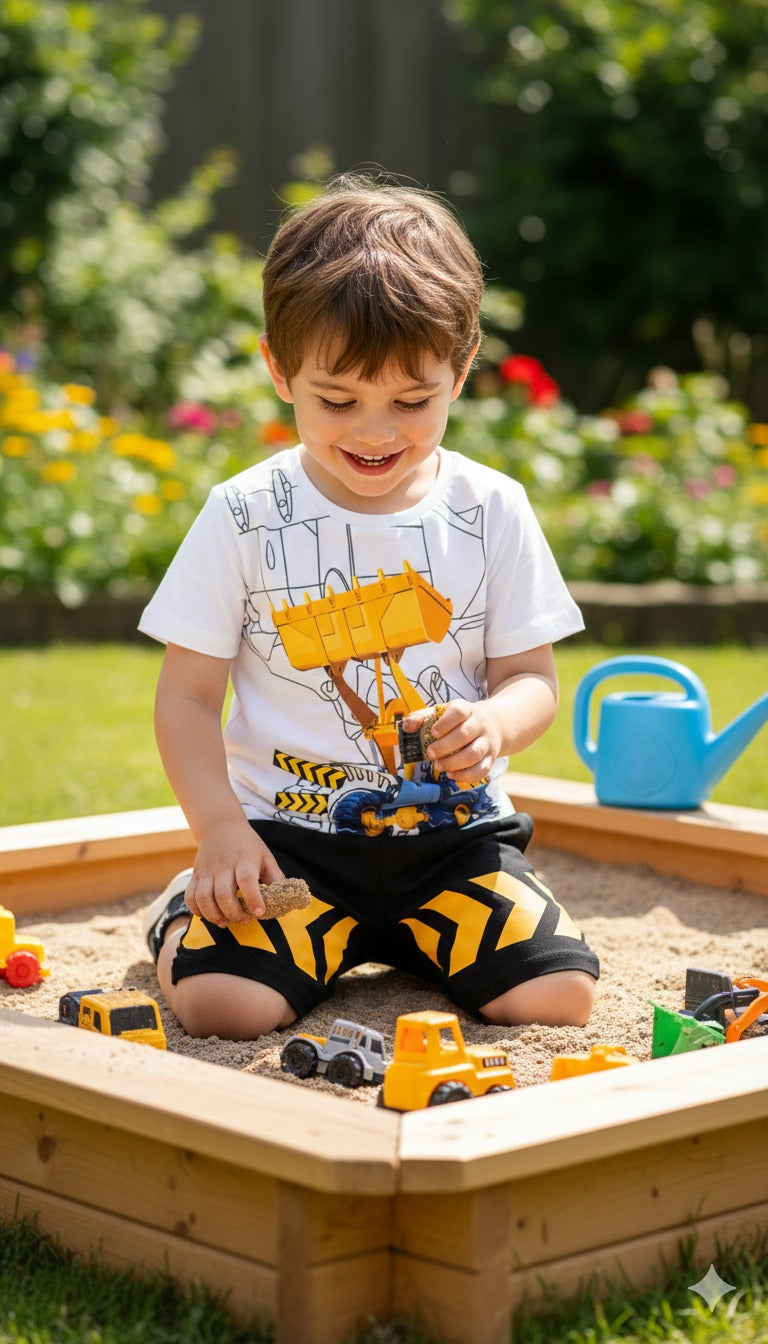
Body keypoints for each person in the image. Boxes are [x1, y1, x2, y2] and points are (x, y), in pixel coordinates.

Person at [139, 174, 599, 1040]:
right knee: (225, 1007)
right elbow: (187, 698)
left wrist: (494, 725)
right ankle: (179, 912)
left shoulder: (491, 508)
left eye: (413, 402)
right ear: (280, 371)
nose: (376, 432)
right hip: (289, 846)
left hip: (455, 846)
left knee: (557, 997)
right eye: (338, 401)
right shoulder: (244, 513)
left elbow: (532, 679)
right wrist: (221, 830)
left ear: (462, 369)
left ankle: (421, 942)